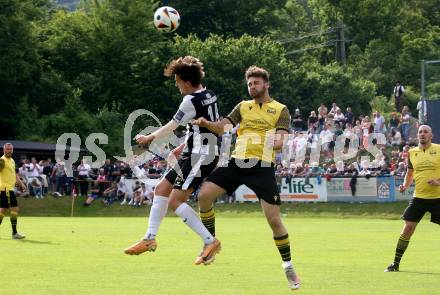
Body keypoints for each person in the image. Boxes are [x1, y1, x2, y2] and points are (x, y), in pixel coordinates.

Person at [192, 66, 301, 290]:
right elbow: (223, 127)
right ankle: (210, 243)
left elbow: (281, 143)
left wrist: (266, 140)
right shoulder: (242, 106)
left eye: (256, 83)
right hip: (237, 162)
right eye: (249, 84)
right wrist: (206, 123)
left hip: (262, 167)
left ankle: (288, 265)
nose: (252, 87)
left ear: (266, 85)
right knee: (203, 196)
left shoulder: (281, 109)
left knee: (274, 221)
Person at [124, 56, 220, 259]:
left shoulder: (189, 101)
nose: (177, 86)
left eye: (177, 82)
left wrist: (149, 137)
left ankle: (211, 242)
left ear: (186, 82)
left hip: (202, 155)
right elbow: (204, 126)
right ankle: (149, 238)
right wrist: (183, 146)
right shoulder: (209, 94)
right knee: (161, 189)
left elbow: (172, 125)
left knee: (176, 201)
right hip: (194, 151)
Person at [385, 125, 440, 272]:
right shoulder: (412, 152)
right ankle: (395, 264)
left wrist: (438, 182)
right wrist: (405, 185)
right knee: (407, 229)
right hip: (419, 198)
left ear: (431, 135)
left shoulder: (439, 149)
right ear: (417, 136)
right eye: (420, 132)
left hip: (438, 198)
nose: (422, 134)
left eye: (425, 132)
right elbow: (410, 174)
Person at [0, 143, 27, 239]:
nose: (9, 151)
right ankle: (14, 233)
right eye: (7, 149)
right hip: (6, 189)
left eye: (10, 149)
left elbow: (14, 174)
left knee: (2, 211)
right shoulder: (2, 160)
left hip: (9, 189)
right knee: (14, 208)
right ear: (4, 150)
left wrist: (21, 184)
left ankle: (14, 233)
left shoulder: (11, 160)